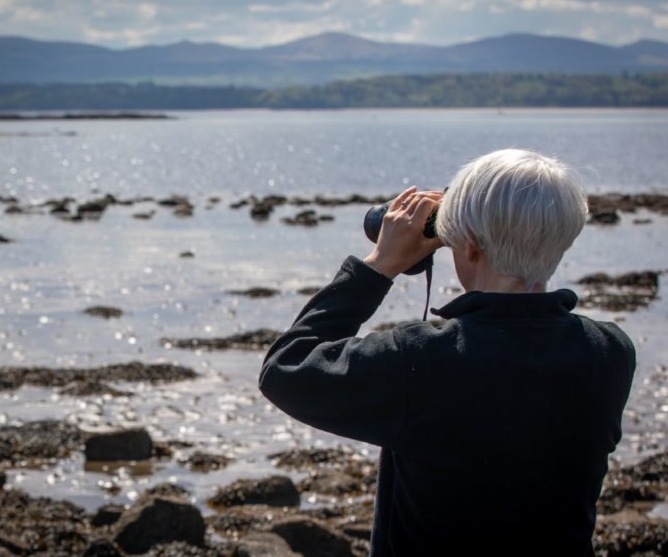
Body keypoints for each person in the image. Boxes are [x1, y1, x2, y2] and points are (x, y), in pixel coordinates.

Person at [259, 149, 636, 555]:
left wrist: (379, 264)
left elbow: (285, 369)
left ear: (470, 246)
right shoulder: (609, 352)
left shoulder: (420, 359)